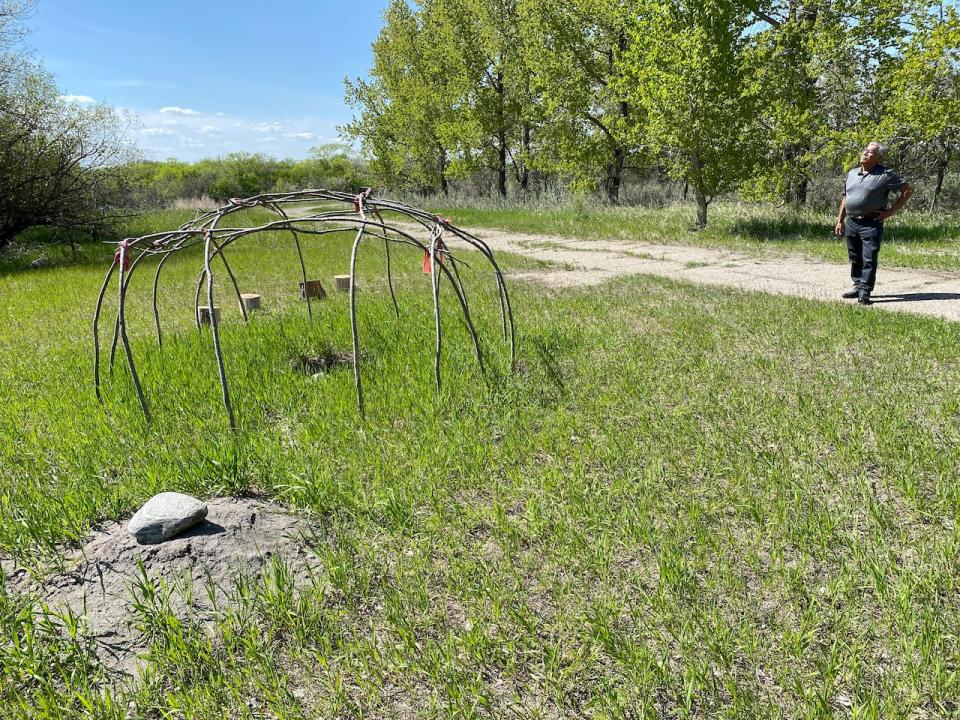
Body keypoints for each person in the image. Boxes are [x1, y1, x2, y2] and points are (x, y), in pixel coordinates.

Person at [834, 142, 913, 305]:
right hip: (852, 222)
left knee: (869, 257)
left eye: (870, 152)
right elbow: (845, 198)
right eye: (864, 150)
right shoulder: (852, 173)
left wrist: (889, 212)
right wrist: (840, 220)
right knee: (855, 256)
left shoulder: (885, 174)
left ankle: (865, 291)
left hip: (871, 223)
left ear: (878, 158)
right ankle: (857, 286)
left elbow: (907, 191)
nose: (865, 153)